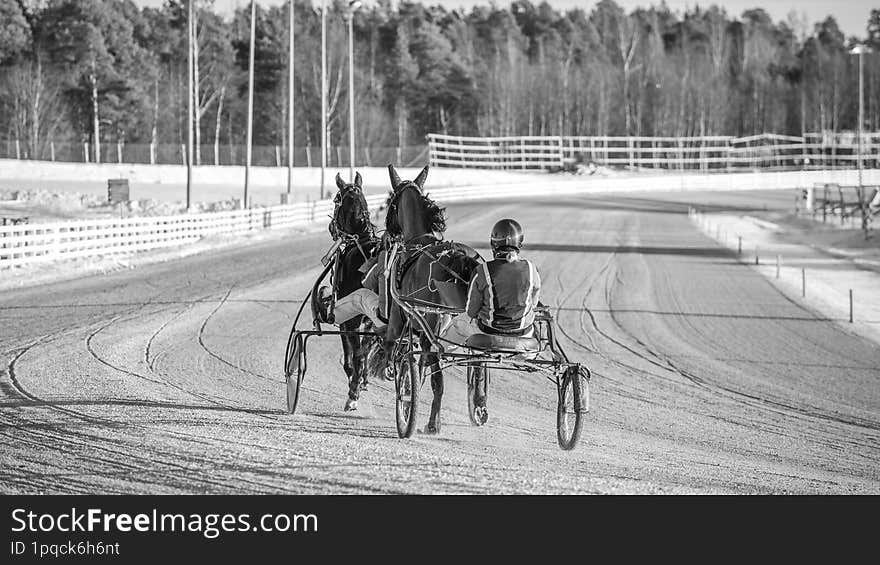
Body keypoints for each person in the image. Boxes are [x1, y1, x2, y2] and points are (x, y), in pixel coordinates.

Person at [439, 218, 541, 348]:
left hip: (487, 332)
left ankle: (438, 352)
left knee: (458, 322)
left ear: (493, 244)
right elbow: (534, 301)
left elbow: (471, 311)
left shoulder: (482, 270)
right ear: (519, 244)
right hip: (523, 335)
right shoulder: (532, 269)